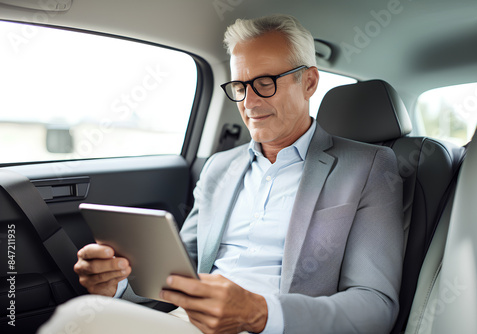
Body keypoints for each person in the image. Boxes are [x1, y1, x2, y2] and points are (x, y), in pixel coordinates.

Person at [39, 14, 403, 334]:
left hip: (278, 328)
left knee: (84, 318)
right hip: (184, 321)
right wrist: (116, 284)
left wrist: (260, 314)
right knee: (92, 310)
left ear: (308, 82)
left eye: (265, 82)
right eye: (241, 86)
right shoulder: (219, 168)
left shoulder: (369, 166)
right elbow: (181, 272)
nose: (249, 102)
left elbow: (375, 307)